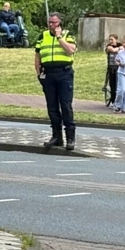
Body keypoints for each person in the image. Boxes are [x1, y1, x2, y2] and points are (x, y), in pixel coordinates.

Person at [34, 12, 78, 150]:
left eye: (54, 22)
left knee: (65, 105)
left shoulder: (67, 35)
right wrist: (38, 74)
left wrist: (59, 37)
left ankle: (70, 137)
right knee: (52, 107)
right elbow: (38, 56)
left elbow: (71, 50)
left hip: (64, 73)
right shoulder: (43, 36)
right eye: (49, 22)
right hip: (48, 74)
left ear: (60, 23)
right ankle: (57, 137)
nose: (51, 25)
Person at [104, 34, 121, 106]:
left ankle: (119, 101)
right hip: (111, 68)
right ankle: (113, 101)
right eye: (109, 39)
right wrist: (119, 49)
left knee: (118, 85)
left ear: (116, 39)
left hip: (119, 68)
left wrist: (119, 48)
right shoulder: (108, 46)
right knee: (112, 85)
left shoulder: (120, 45)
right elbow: (112, 50)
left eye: (112, 39)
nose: (110, 41)